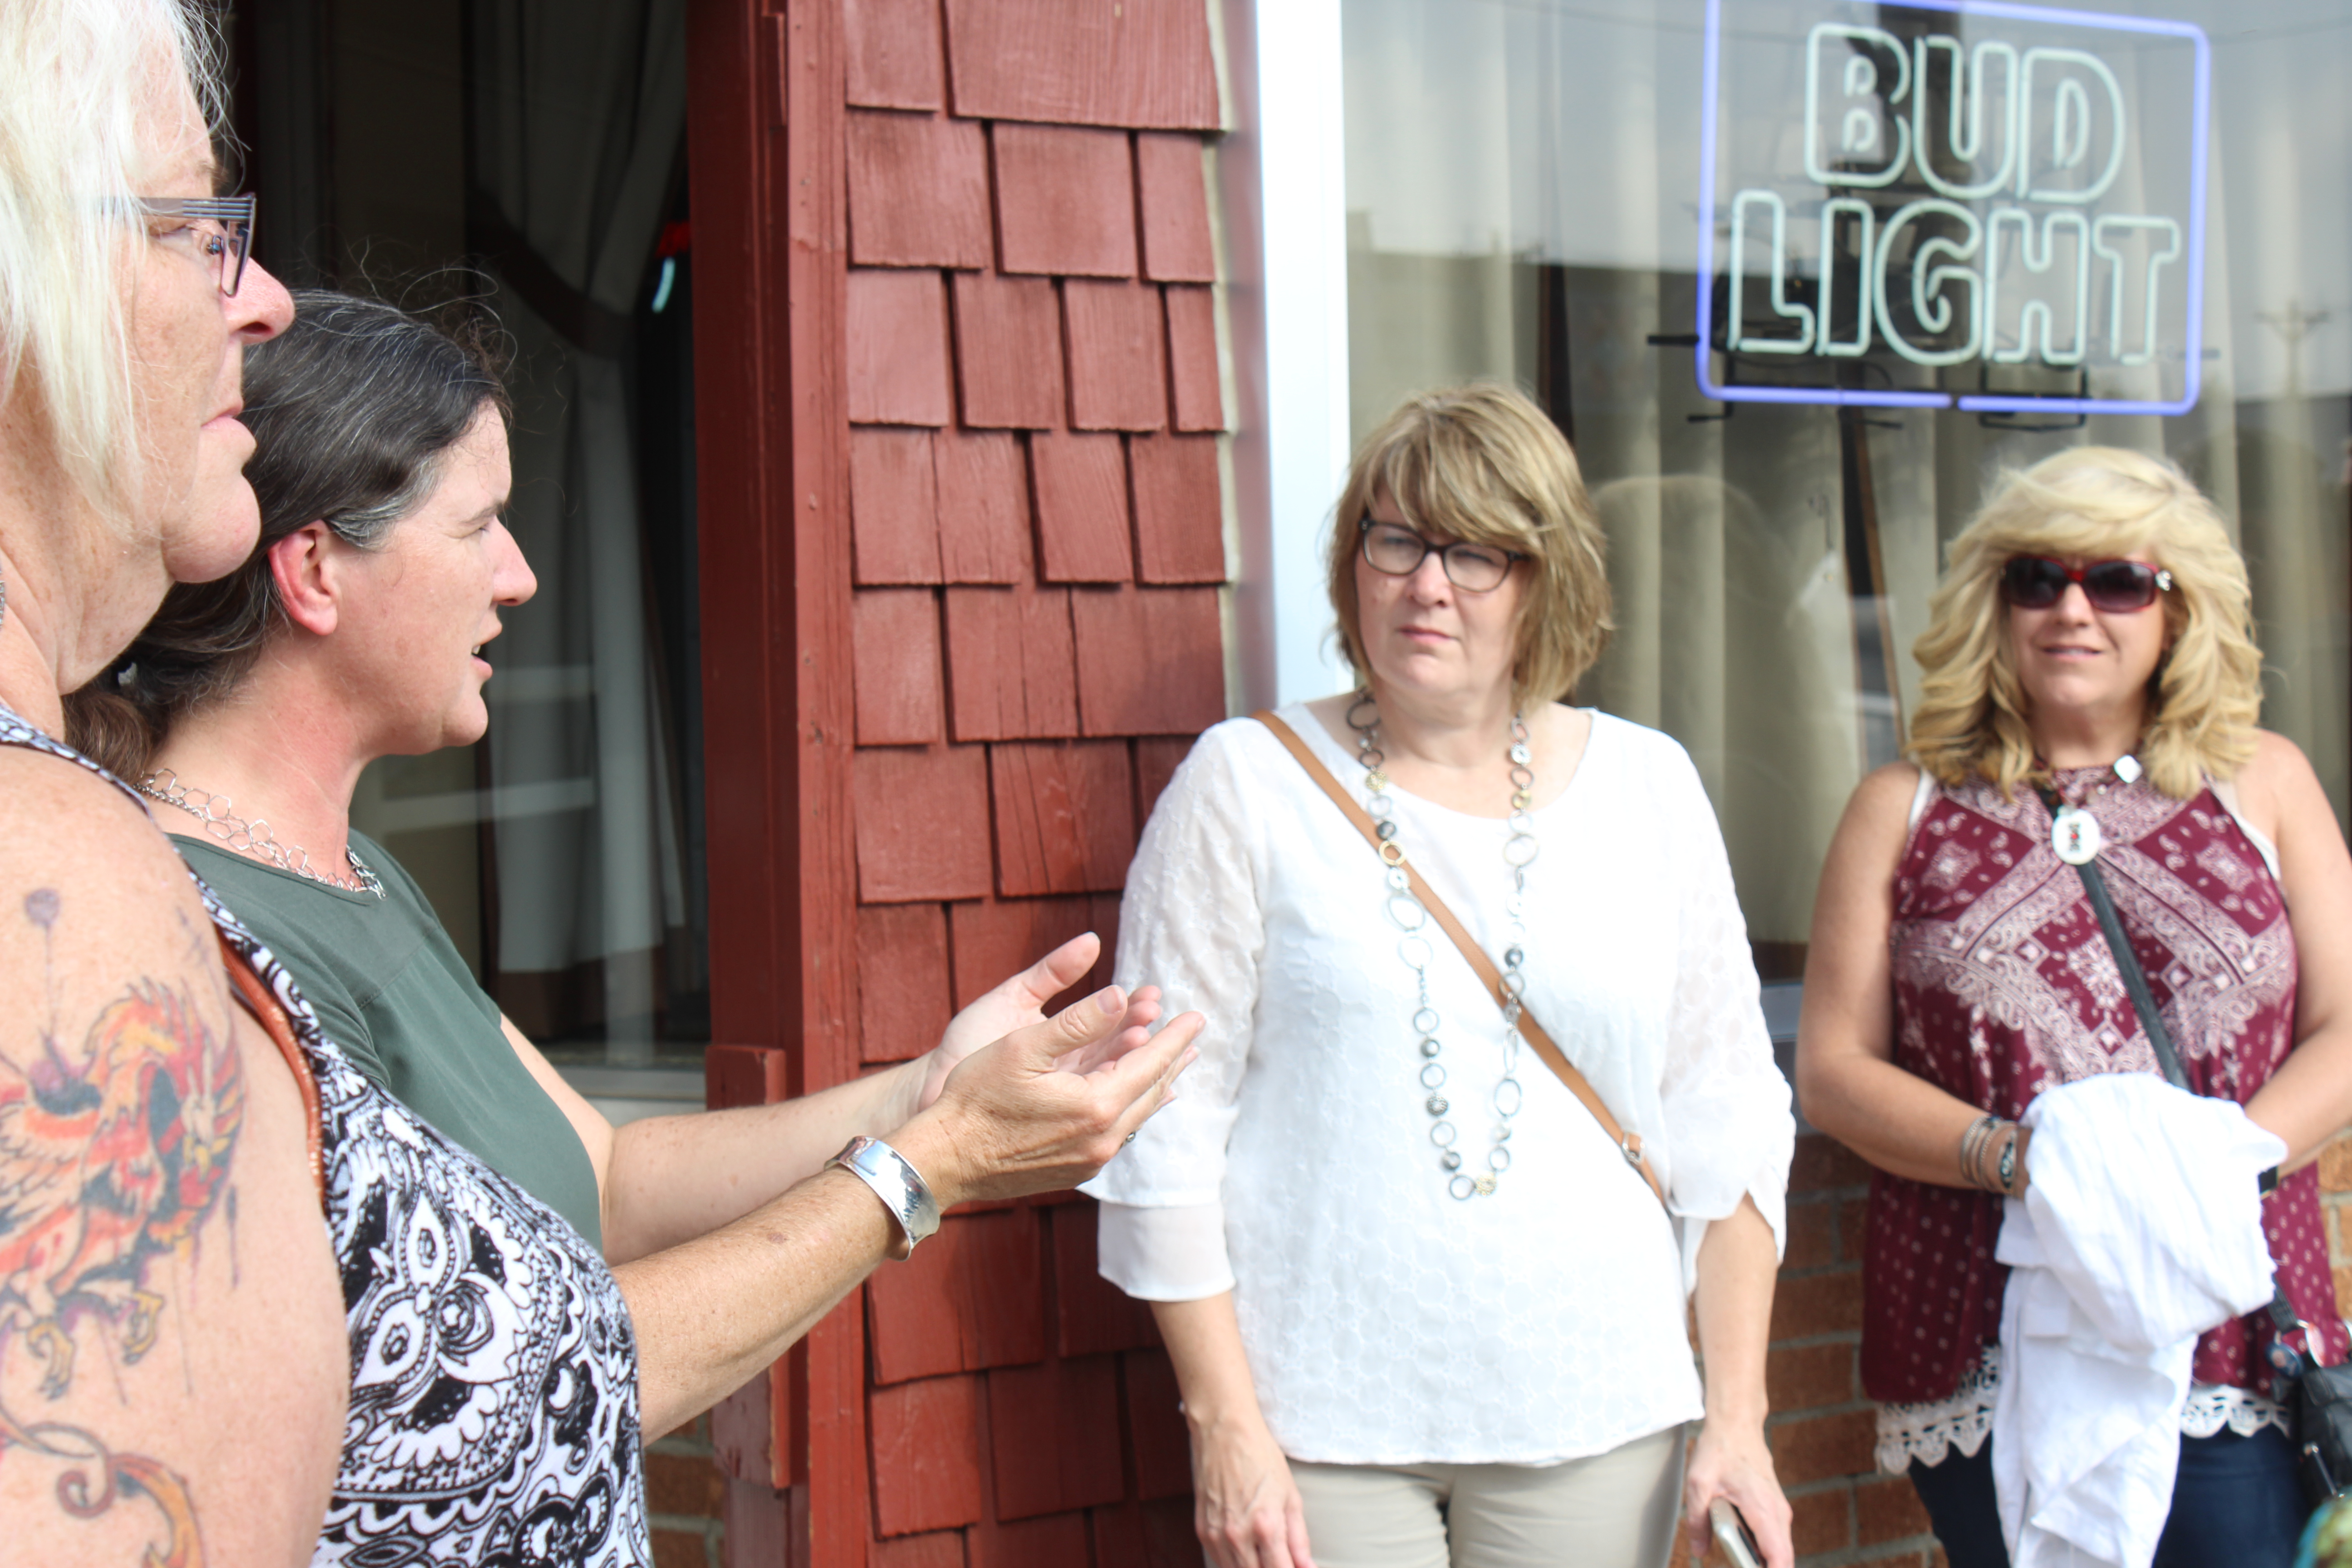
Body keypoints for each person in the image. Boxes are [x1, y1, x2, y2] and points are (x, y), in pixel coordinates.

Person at [2, 10, 1190, 1561]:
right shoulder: (132, 901)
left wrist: (935, 1086)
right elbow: (493, 1392)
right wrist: (926, 1170)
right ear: (316, 573)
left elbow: (611, 1169)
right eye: (193, 229)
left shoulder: (339, 880)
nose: (522, 573)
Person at [1083, 382, 1798, 1568]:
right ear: (1354, 559)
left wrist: (1739, 1414)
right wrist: (1225, 1426)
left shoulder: (1648, 788)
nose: (1428, 584)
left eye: (1477, 553)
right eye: (1398, 538)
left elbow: (1727, 1117)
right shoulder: (1244, 786)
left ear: (1544, 579)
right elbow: (1166, 1131)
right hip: (1318, 1424)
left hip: (1595, 1410)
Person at [1795, 446, 2352, 1566]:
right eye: (2036, 578)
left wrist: (2214, 1164)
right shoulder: (1900, 808)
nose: (2074, 610)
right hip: (1987, 1330)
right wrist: (2019, 1161)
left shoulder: (2268, 784)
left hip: (2226, 1333)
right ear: (1992, 606)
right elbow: (1834, 1070)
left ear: (2177, 607)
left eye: (2119, 581)